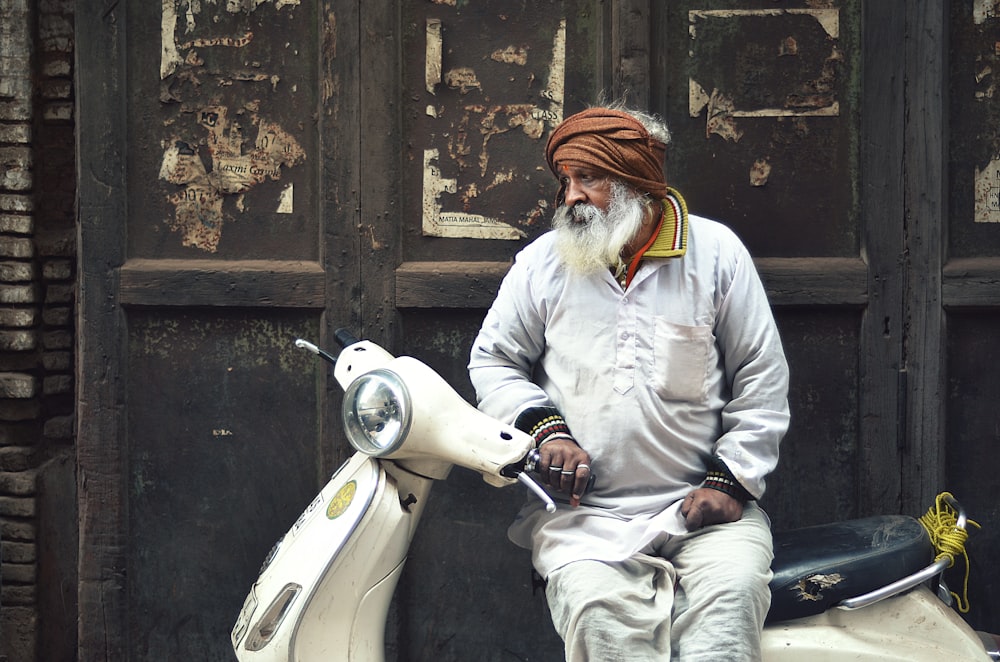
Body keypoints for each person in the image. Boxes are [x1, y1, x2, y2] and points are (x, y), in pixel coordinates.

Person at [468, 106, 790, 661]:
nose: (570, 196)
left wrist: (731, 483)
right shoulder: (543, 263)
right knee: (597, 617)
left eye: (587, 178)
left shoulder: (716, 256)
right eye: (565, 180)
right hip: (585, 521)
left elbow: (760, 377)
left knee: (730, 609)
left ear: (635, 181)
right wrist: (546, 432)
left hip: (703, 514)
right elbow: (493, 360)